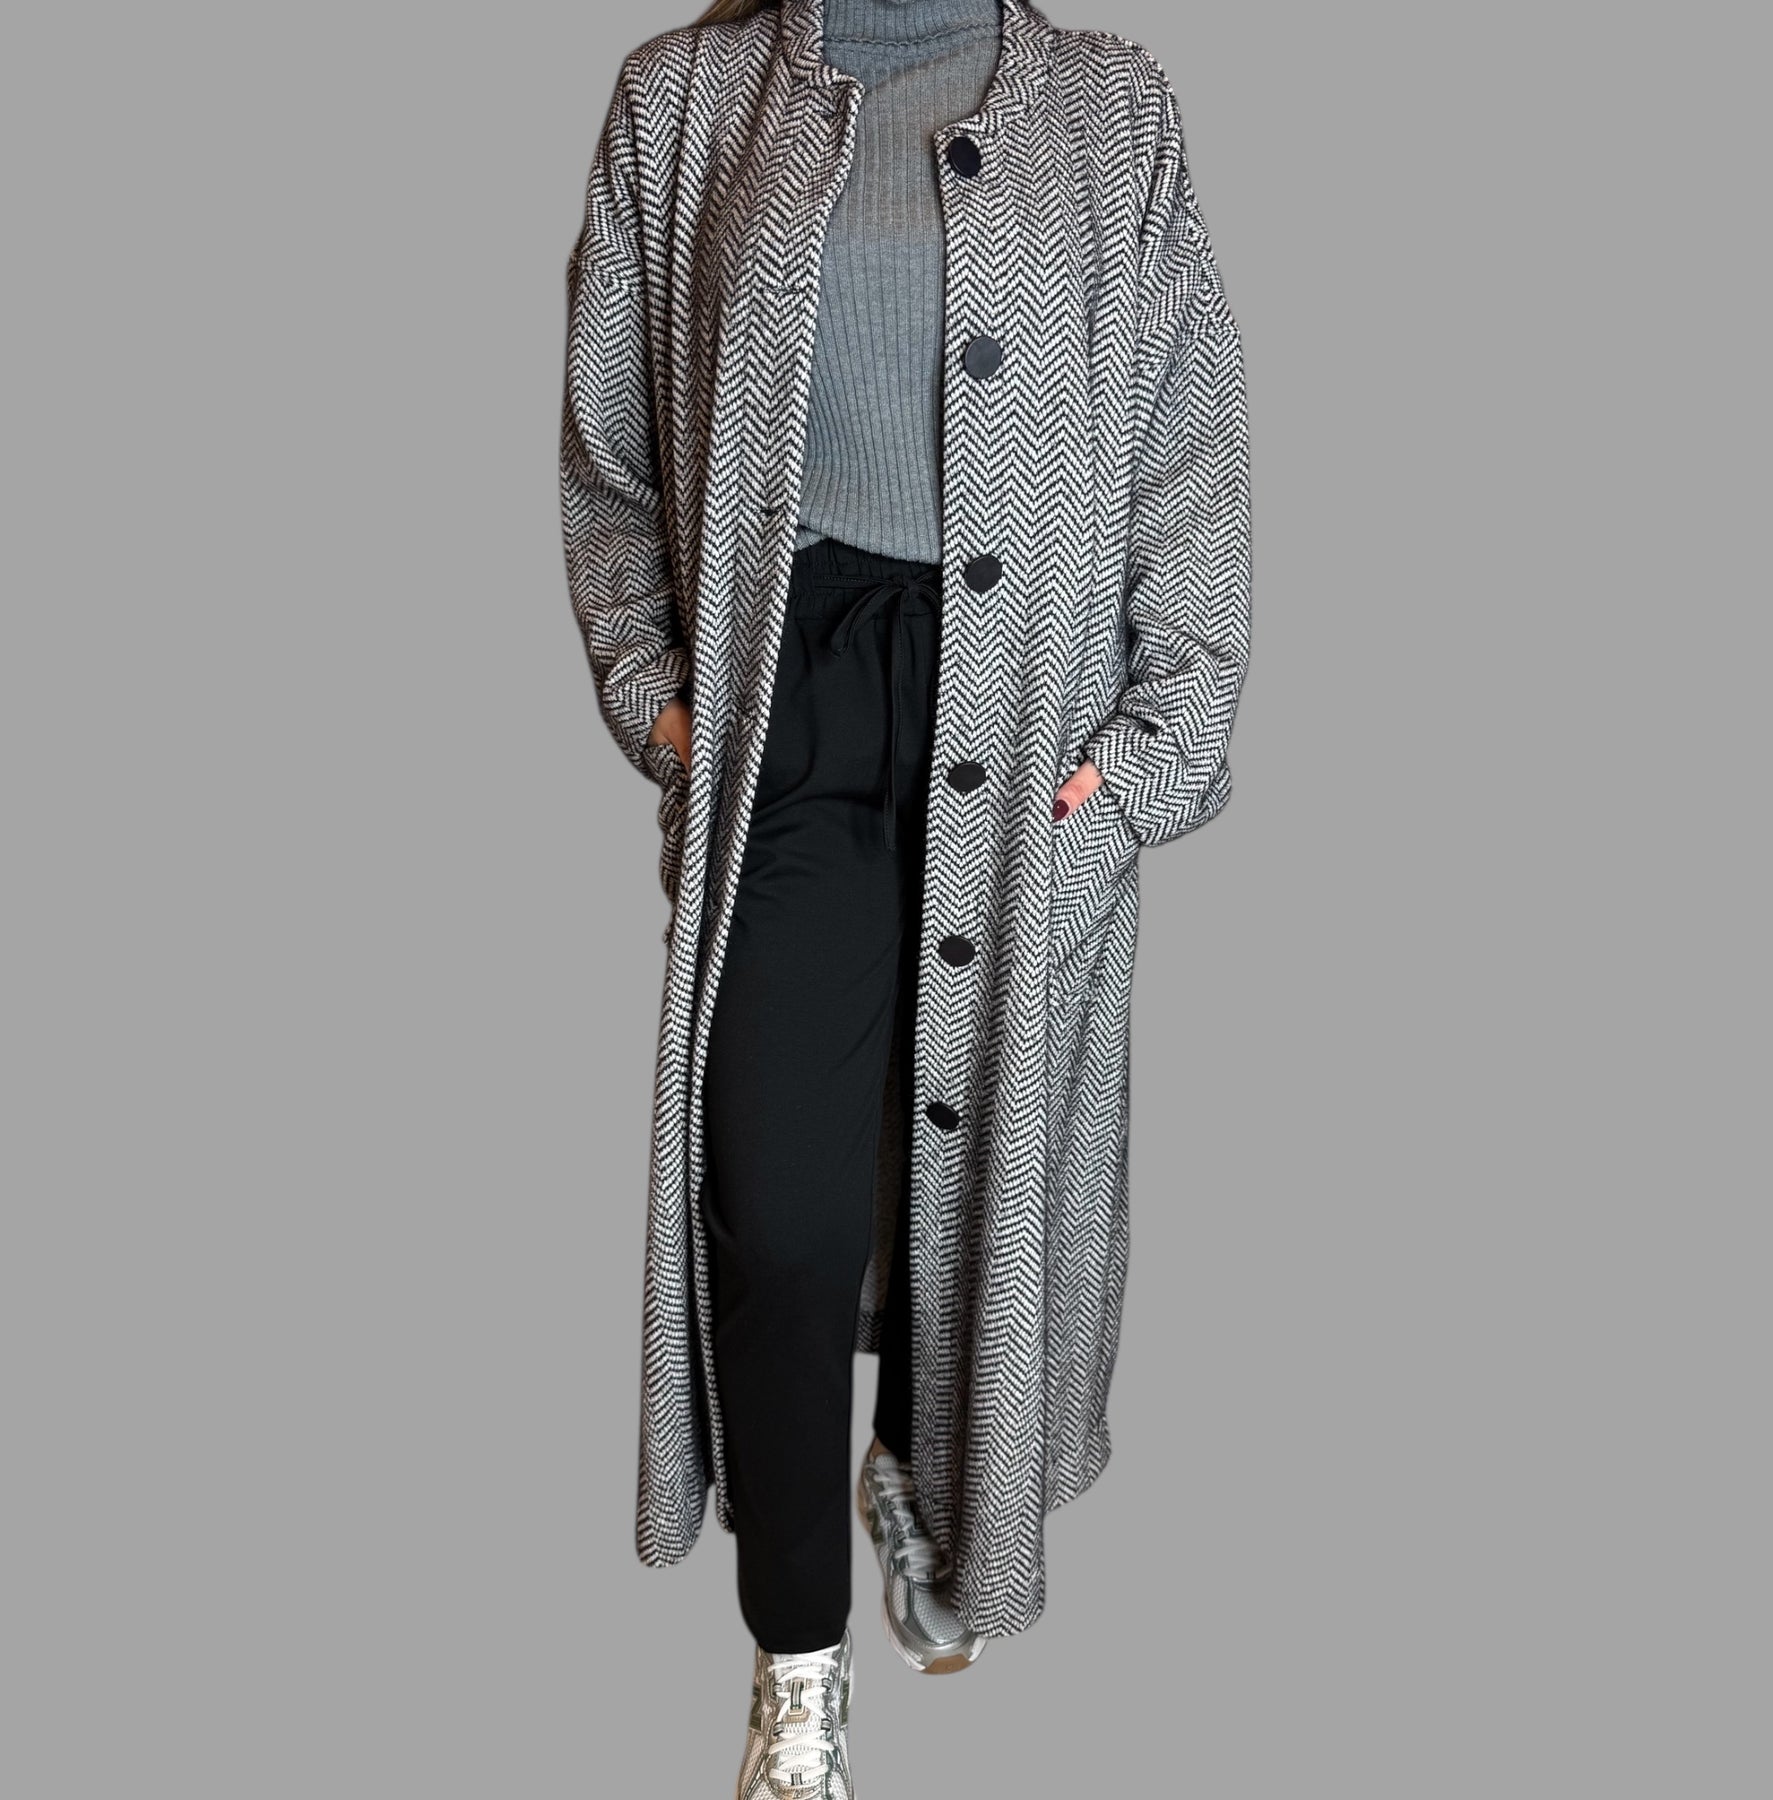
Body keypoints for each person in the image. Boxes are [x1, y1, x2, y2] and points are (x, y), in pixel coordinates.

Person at [560, 0, 1252, 1791]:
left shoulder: (1111, 111)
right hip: (788, 689)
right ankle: (797, 1656)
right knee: (782, 1208)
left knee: (974, 1159)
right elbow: (610, 450)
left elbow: (1189, 448)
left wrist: (1151, 756)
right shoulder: (687, 101)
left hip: (1019, 707)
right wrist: (658, 697)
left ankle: (930, 1482)